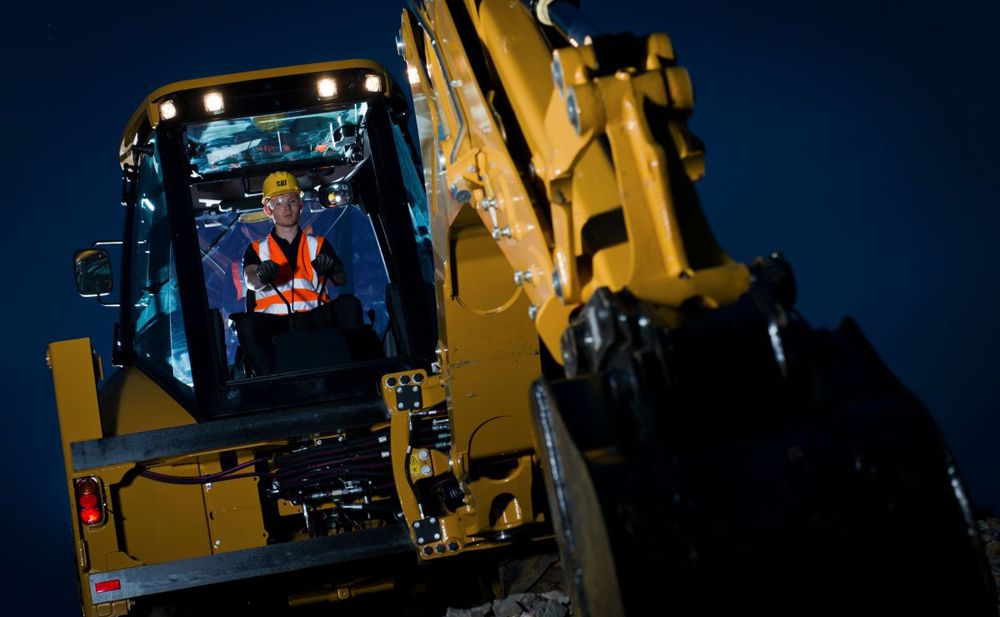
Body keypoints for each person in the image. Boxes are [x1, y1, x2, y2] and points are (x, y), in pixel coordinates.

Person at [234, 170, 347, 375]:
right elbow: (251, 280)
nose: (286, 208)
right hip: (275, 323)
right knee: (246, 324)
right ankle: (270, 381)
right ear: (268, 210)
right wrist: (261, 276)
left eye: (292, 201)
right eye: (278, 203)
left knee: (349, 306)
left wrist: (331, 266)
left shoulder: (318, 244)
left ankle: (354, 372)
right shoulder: (256, 249)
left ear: (301, 206)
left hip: (314, 316)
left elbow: (341, 279)